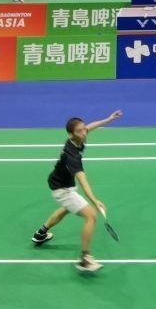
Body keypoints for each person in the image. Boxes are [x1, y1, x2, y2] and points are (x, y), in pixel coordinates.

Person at [31, 110, 124, 274]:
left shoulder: (78, 137)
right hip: (62, 189)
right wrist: (95, 201)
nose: (84, 133)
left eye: (83, 129)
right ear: (71, 134)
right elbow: (83, 181)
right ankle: (85, 259)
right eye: (80, 131)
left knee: (67, 209)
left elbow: (90, 127)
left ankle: (41, 234)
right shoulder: (71, 156)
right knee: (91, 216)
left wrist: (108, 119)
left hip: (63, 183)